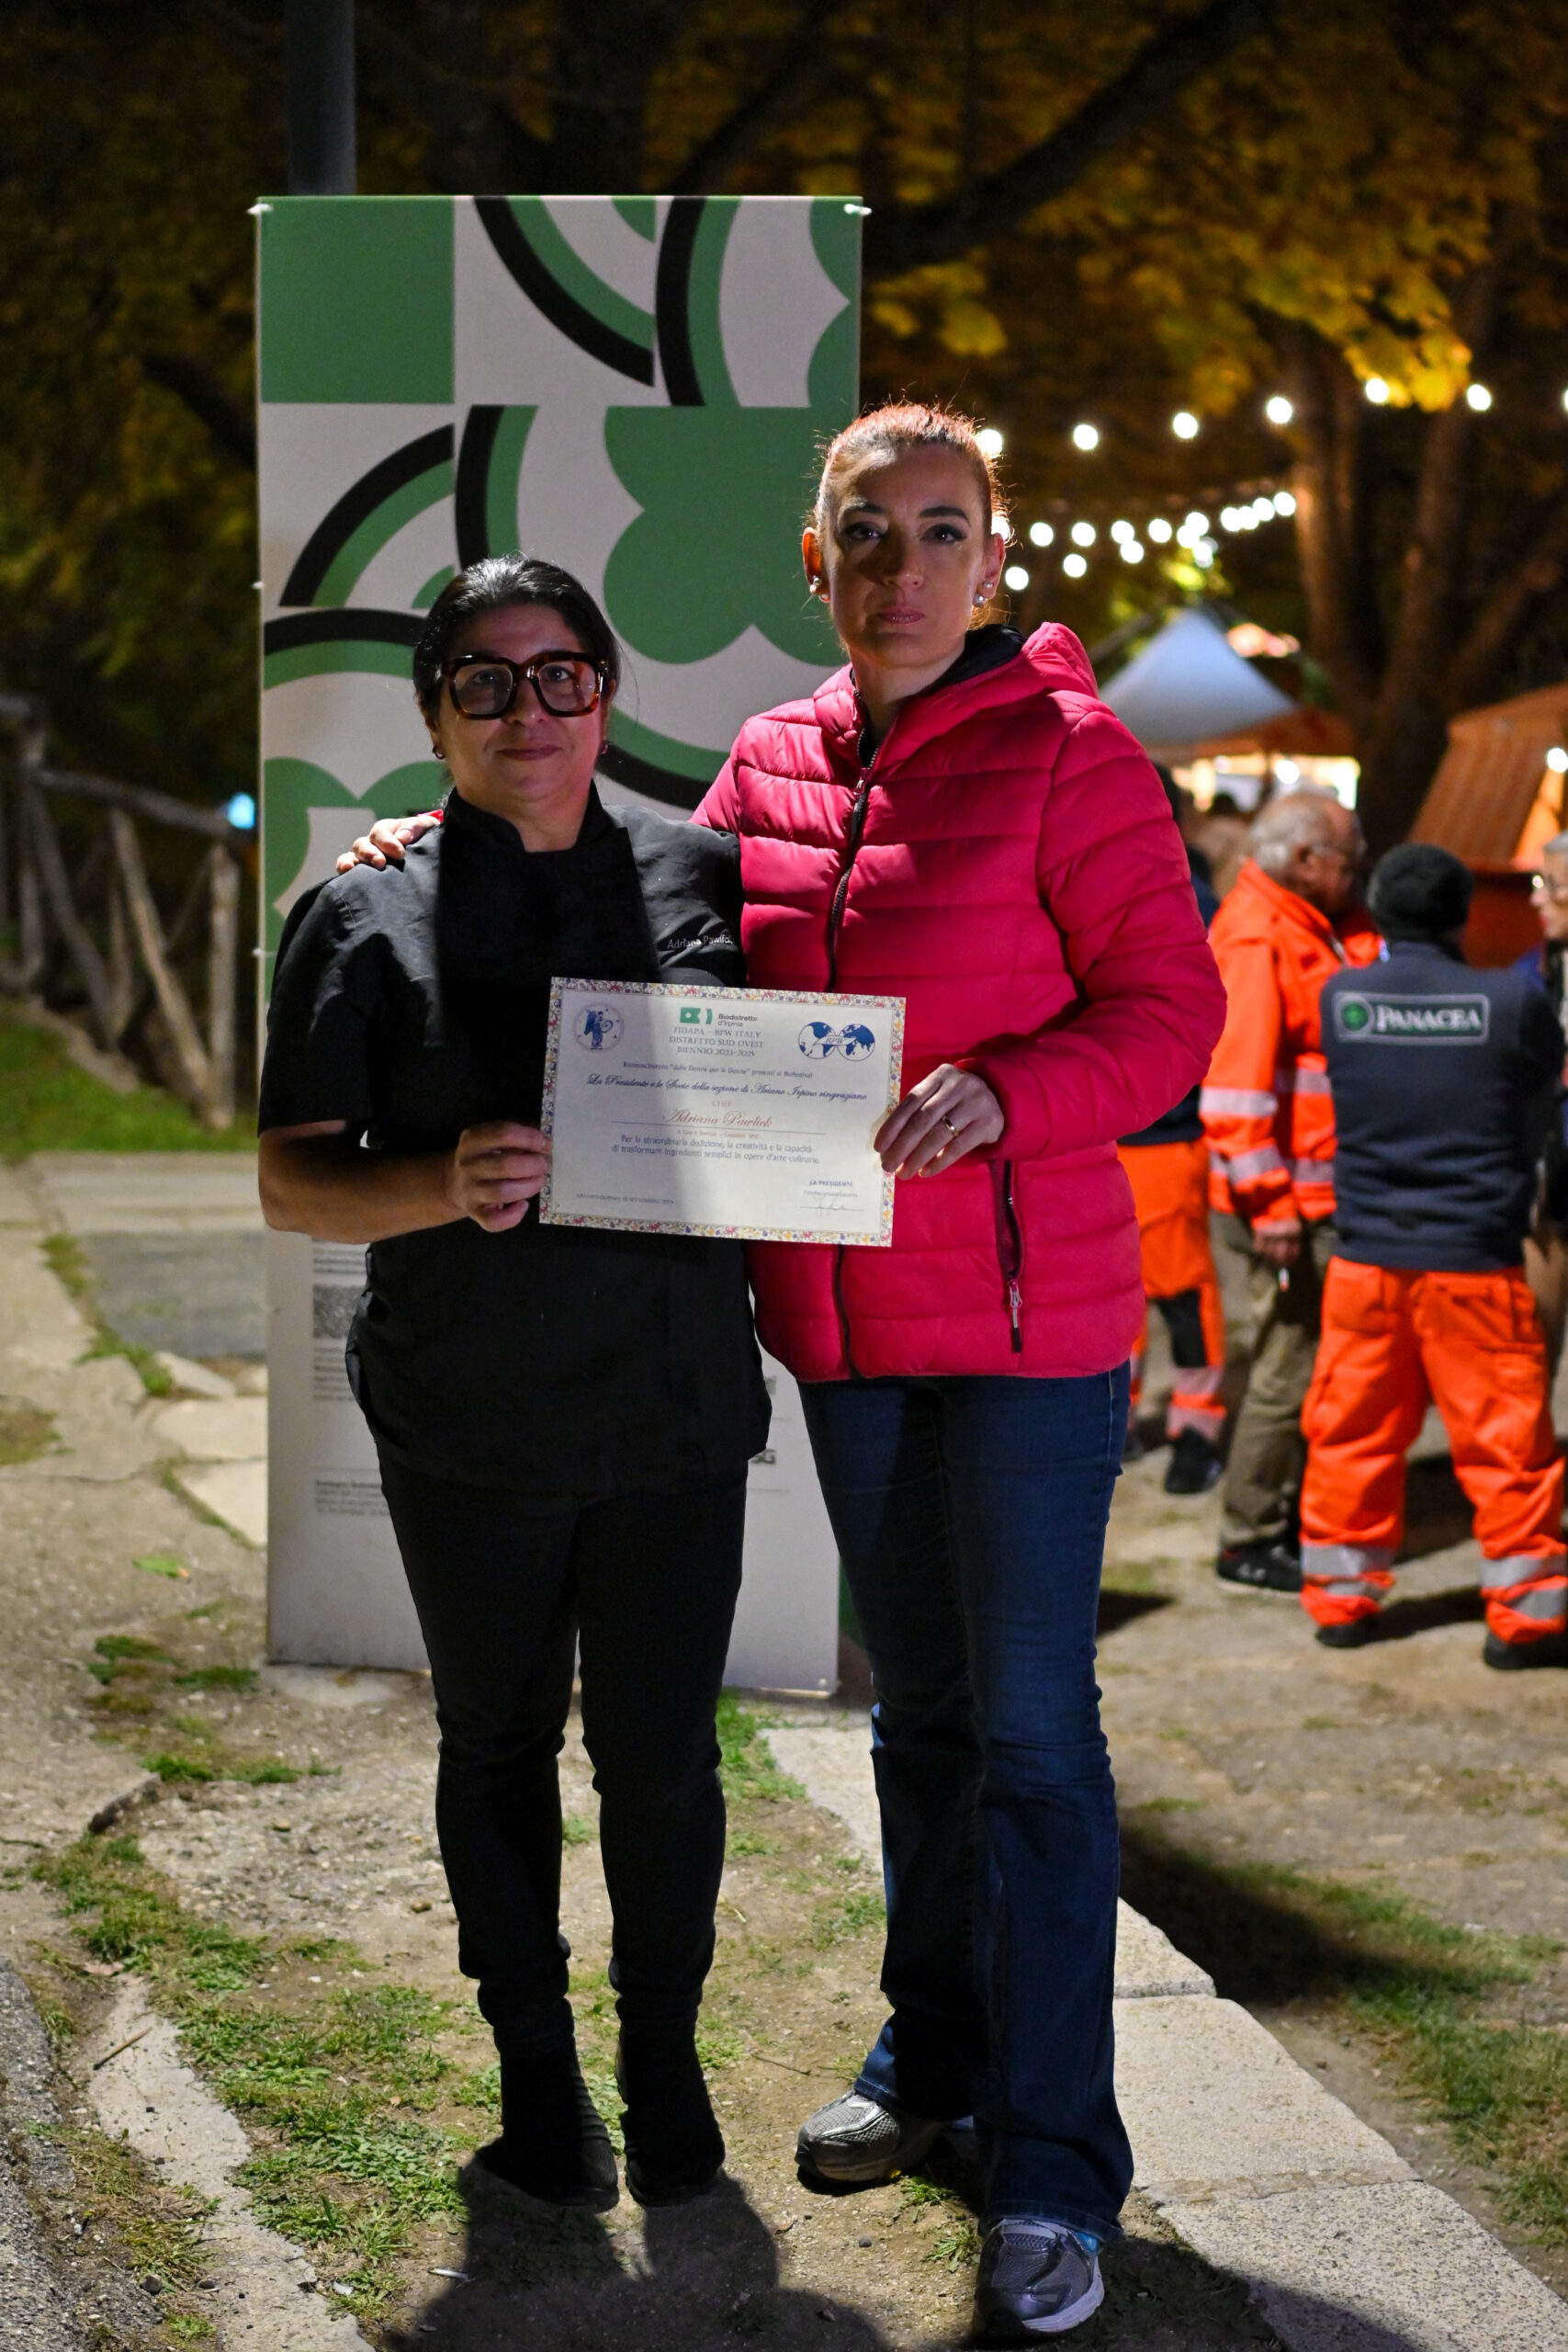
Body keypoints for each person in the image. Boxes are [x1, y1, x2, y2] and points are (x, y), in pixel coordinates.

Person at [344, 410, 1224, 2342]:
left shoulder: (1073, 752)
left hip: (1024, 1330)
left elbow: (1171, 1015)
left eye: (942, 529)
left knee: (1035, 1740)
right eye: (868, 532)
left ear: (991, 558)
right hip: (840, 1332)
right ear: (815, 562)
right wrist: (430, 843)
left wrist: (1011, 1092)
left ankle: (1054, 2164)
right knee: (919, 1721)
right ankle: (933, 2054)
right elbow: (634, 891)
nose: (904, 565)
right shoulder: (769, 759)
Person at [258, 557, 771, 2217]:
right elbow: (290, 1180)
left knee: (663, 1759)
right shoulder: (360, 910)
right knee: (495, 1743)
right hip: (468, 1416)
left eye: (559, 674)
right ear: (434, 714)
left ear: (604, 695)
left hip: (673, 1407)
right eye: (482, 680)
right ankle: (535, 2071)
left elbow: (793, 1092)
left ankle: (663, 2061)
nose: (525, 708)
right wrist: (439, 1181)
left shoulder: (705, 873)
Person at [1300, 844, 1568, 1665]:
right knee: (1505, 1442)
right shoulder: (1509, 1000)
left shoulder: (1341, 996)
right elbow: (1538, 1101)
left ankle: (1340, 1602)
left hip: (1364, 1260)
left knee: (1350, 1432)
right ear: (1461, 915)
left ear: (1377, 910)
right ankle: (1524, 1619)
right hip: (1474, 1259)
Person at [1201, 786, 1380, 1592]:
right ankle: (1249, 1536)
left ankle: (1276, 1516)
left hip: (1305, 1194)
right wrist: (1270, 1204)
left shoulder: (1302, 924)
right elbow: (1234, 1092)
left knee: (1294, 1361)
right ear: (1305, 860)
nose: (1358, 870)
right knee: (1285, 1365)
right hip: (1284, 1204)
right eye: (1349, 857)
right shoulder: (1258, 935)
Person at [1118, 771, 1227, 1493]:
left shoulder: (1199, 905)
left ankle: (1196, 1429)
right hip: (1095, 1130)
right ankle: (1118, 1416)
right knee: (1109, 1290)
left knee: (1180, 1292)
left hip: (1164, 1131)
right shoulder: (1082, 885)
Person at [1517, 833, 1568, 1370]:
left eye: (1551, 885)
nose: (1536, 898)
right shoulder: (1532, 978)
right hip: (1548, 1199)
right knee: (1530, 1356)